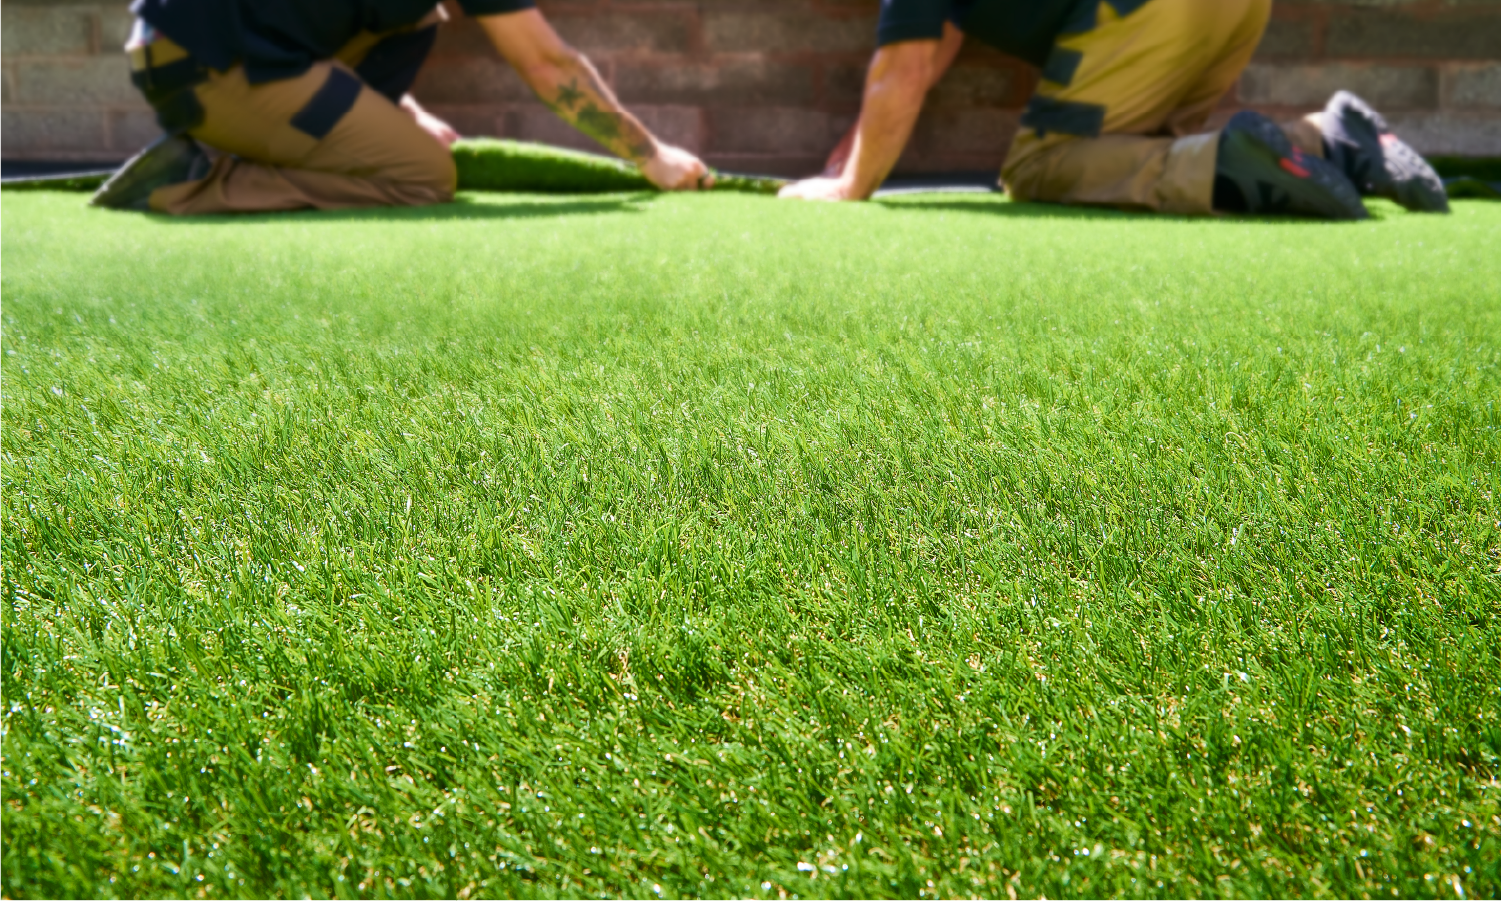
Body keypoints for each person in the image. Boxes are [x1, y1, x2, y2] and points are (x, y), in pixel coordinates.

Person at [780, 0, 1448, 219]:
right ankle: (1329, 136)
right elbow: (931, 52)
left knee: (1039, 166)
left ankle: (1224, 160)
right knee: (1139, 147)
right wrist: (855, 148)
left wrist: (848, 187)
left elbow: (903, 69)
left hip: (1144, 11)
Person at [92, 0, 712, 214]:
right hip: (206, 69)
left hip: (177, 49)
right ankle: (188, 185)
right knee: (424, 174)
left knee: (421, 17)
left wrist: (403, 110)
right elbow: (548, 64)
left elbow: (323, 18)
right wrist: (650, 155)